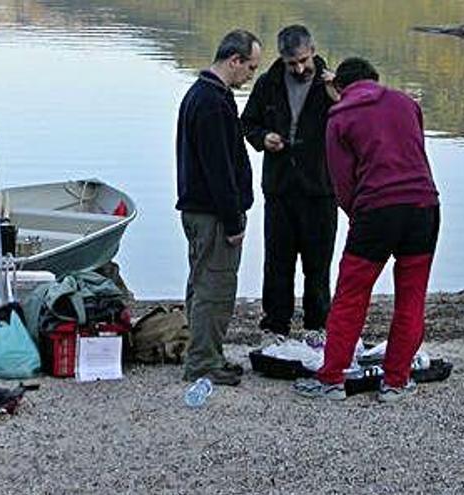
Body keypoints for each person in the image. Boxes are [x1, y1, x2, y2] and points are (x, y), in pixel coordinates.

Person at [293, 57, 440, 402]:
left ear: (340, 87)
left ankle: (331, 380)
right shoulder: (406, 103)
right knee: (411, 295)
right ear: (375, 79)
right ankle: (396, 382)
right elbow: (416, 152)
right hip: (424, 206)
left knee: (351, 295)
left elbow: (342, 182)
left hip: (377, 210)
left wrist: (355, 215)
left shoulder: (340, 116)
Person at [175, 29, 262, 386]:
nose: (251, 76)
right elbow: (219, 168)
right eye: (250, 68)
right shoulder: (211, 102)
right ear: (234, 60)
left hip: (198, 210)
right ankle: (203, 363)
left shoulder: (204, 94)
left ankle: (202, 353)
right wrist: (233, 220)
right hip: (212, 214)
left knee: (201, 282)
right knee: (216, 287)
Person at [241, 25, 338, 336]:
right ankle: (276, 326)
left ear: (313, 51)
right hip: (280, 187)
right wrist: (262, 137)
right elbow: (248, 123)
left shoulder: (332, 84)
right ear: (281, 57)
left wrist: (338, 98)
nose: (298, 68)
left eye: (303, 61)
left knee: (318, 265)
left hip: (321, 188)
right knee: (277, 263)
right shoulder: (269, 83)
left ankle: (317, 326)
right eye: (290, 62)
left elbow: (352, 126)